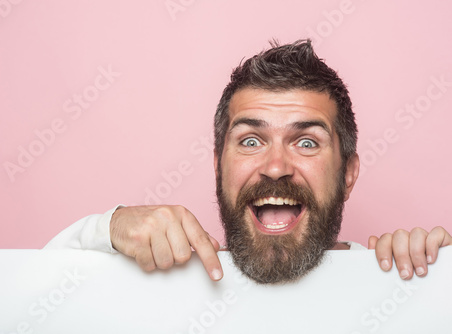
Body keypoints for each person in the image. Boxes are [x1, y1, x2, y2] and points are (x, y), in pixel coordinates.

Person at [45, 39, 451, 284]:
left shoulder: (397, 283)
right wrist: (107, 228)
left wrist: (439, 273)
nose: (276, 167)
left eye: (307, 142)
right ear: (219, 167)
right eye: (252, 140)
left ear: (347, 174)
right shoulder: (163, 287)